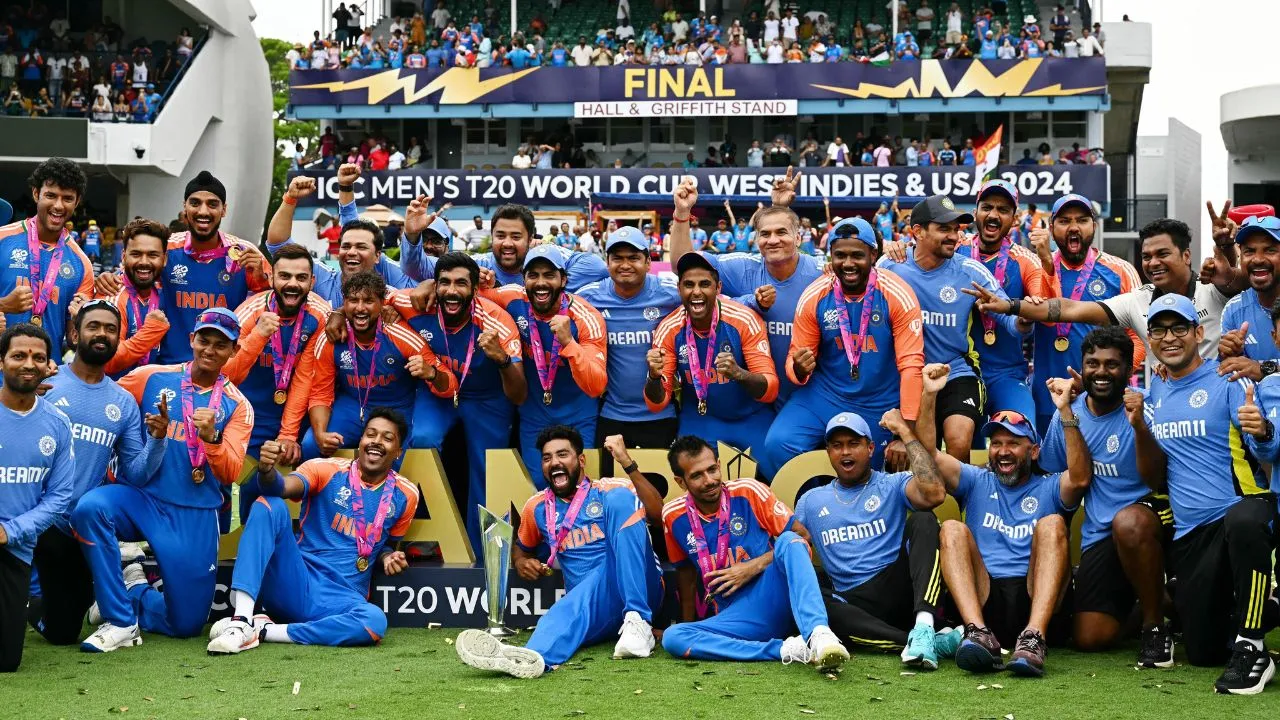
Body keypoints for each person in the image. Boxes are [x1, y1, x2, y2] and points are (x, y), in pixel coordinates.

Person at [74, 308, 253, 651]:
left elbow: (231, 473)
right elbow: (102, 394)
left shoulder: (238, 405)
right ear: (191, 340)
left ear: (234, 351)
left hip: (194, 512)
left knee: (185, 625)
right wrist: (56, 385)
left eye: (220, 344)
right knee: (90, 508)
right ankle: (119, 618)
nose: (210, 350)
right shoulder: (153, 377)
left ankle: (134, 590)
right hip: (143, 498)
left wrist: (212, 438)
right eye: (204, 340)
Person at [1130, 295, 1278, 694]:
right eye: (1159, 330)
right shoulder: (1155, 388)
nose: (1170, 337)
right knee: (1203, 651)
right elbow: (1153, 473)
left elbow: (1263, 449)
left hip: (1242, 510)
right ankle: (1266, 606)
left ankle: (1253, 647)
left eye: (1180, 328)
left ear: (1198, 333)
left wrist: (1261, 429)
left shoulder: (1228, 379)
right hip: (1191, 533)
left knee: (1244, 521)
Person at [455, 426, 663, 677]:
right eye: (547, 458)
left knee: (619, 499)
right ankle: (531, 659)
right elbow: (522, 550)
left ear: (581, 460)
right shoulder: (537, 507)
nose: (554, 462)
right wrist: (522, 562)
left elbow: (656, 514)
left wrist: (627, 463)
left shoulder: (609, 489)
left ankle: (638, 620)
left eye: (563, 454)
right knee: (575, 601)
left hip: (642, 588)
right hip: (594, 606)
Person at [917, 364, 1082, 677]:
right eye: (996, 443)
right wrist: (929, 395)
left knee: (1053, 524)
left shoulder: (1050, 485)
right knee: (952, 528)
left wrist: (1066, 412)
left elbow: (1081, 477)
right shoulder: (977, 480)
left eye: (1013, 443)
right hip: (985, 599)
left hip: (1037, 600)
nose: (1003, 451)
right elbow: (927, 454)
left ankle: (1034, 637)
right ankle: (976, 633)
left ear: (1033, 451)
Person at [206, 410, 417, 653]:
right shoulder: (325, 469)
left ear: (398, 451)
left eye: (387, 438)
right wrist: (266, 470)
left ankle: (264, 631)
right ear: (360, 442)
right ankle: (241, 622)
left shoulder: (406, 494)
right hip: (298, 578)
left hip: (343, 596)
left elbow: (386, 544)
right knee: (269, 504)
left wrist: (387, 557)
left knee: (374, 622)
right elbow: (282, 487)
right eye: (370, 434)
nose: (376, 441)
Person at [28, 301, 167, 649]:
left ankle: (89, 592)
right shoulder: (44, 383)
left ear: (119, 338)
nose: (101, 334)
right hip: (30, 520)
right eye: (93, 326)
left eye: (110, 329)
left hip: (72, 530)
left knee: (61, 634)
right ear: (75, 333)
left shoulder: (121, 402)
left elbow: (135, 472)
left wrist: (158, 439)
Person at [1035, 327, 1175, 666]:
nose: (1101, 372)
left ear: (1129, 370)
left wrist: (1139, 426)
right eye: (1092, 363)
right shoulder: (1067, 412)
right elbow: (1056, 473)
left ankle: (1156, 626)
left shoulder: (1146, 409)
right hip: (1101, 535)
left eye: (1112, 365)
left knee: (1128, 522)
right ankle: (1158, 602)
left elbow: (1156, 479)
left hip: (1150, 521)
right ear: (1081, 367)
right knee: (1089, 638)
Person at [972, 215, 1239, 382]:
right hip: (1164, 404)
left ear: (1186, 256)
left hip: (1215, 399)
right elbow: (1069, 308)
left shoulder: (1212, 289)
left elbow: (1239, 280)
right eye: (1147, 257)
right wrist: (1009, 305)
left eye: (1163, 254)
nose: (1153, 263)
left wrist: (1226, 247)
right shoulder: (1138, 300)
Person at [659, 436, 848, 670]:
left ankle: (819, 635)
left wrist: (752, 567)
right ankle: (786, 650)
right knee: (674, 637)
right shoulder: (673, 515)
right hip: (736, 617)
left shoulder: (748, 491)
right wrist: (691, 624)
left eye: (712, 469)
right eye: (697, 475)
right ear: (681, 481)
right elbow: (686, 575)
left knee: (789, 540)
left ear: (719, 465)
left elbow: (804, 537)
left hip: (775, 595)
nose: (709, 480)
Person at [964, 194, 1143, 434]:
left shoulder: (1120, 271)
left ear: (1094, 226)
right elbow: (1043, 314)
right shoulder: (1038, 266)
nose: (1073, 227)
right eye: (1064, 221)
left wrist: (1112, 377)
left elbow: (1139, 337)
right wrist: (1047, 263)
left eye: (1081, 220)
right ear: (1051, 228)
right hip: (1047, 392)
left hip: (1103, 393)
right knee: (1048, 465)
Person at [758, 218, 923, 477]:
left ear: (873, 254)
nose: (848, 264)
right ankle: (817, 506)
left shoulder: (896, 294)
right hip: (825, 395)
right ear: (830, 256)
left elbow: (912, 365)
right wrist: (798, 370)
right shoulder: (815, 295)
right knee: (778, 444)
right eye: (840, 256)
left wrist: (906, 432)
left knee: (871, 470)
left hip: (879, 401)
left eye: (857, 255)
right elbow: (794, 359)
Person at [795, 410, 959, 667]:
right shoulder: (811, 501)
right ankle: (921, 642)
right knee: (813, 601)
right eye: (837, 446)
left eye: (853, 444)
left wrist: (905, 433)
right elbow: (791, 552)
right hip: (852, 601)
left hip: (898, 588)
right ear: (828, 452)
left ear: (871, 448)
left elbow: (935, 494)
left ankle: (925, 624)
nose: (845, 452)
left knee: (924, 519)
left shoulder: (892, 484)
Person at [386, 252, 525, 551]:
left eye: (461, 283)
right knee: (421, 439)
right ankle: (421, 533)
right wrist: (340, 314)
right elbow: (371, 298)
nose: (452, 290)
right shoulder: (419, 302)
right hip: (436, 391)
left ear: (475, 290)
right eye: (444, 283)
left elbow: (519, 393)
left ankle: (485, 551)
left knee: (488, 469)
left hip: (488, 399)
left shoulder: (496, 321)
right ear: (434, 287)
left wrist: (501, 358)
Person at [879, 195, 1024, 464]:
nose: (954, 236)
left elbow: (1013, 325)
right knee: (904, 453)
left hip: (955, 372)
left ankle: (958, 505)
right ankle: (920, 503)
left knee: (958, 441)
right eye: (944, 228)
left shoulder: (971, 271)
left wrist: (1021, 315)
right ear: (918, 232)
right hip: (904, 375)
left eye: (956, 229)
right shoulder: (889, 267)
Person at [669, 172, 824, 407]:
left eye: (781, 232)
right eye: (765, 234)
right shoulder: (743, 268)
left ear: (798, 237)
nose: (772, 240)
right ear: (755, 239)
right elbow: (685, 265)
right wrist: (682, 213)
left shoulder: (821, 273)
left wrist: (896, 250)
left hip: (808, 396)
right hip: (756, 399)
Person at [93, 171, 269, 365]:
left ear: (224, 209)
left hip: (221, 373)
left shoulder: (245, 253)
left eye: (212, 204)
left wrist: (262, 279)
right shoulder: (167, 247)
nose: (203, 211)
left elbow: (270, 302)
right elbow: (132, 275)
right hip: (168, 369)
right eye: (195, 203)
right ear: (184, 207)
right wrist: (107, 279)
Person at [483, 246, 607, 487]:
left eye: (549, 275)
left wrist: (569, 343)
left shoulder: (585, 317)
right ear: (523, 279)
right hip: (534, 417)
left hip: (579, 417)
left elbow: (596, 385)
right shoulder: (511, 298)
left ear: (564, 279)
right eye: (533, 275)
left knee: (580, 487)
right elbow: (468, 296)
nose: (541, 283)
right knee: (539, 486)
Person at [222, 244, 331, 515]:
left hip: (293, 413)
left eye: (301, 278)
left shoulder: (320, 315)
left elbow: (306, 377)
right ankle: (220, 541)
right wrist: (258, 336)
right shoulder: (249, 312)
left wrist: (287, 434)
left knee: (288, 478)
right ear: (271, 279)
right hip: (250, 411)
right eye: (285, 276)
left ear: (312, 281)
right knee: (230, 478)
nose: (292, 284)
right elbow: (227, 374)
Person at [302, 271, 455, 464]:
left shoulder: (402, 336)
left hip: (399, 407)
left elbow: (450, 383)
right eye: (353, 300)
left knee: (403, 461)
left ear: (382, 303)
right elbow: (320, 394)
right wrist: (320, 433)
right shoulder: (332, 337)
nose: (360, 308)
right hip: (353, 406)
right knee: (310, 445)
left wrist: (431, 373)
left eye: (368, 301)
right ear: (344, 303)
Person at [648, 251, 777, 457]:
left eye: (705, 284)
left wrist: (739, 374)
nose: (696, 292)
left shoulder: (744, 319)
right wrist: (653, 377)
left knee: (774, 464)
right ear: (679, 289)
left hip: (751, 417)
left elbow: (770, 389)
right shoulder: (669, 328)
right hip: (701, 418)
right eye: (689, 285)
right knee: (688, 471)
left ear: (718, 288)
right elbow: (656, 404)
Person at [0, 323, 75, 672]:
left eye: (38, 357)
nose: (28, 363)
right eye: (18, 355)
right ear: (2, 362)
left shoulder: (57, 424)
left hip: (13, 548)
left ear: (48, 366)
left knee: (6, 661)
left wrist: (10, 532)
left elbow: (59, 498)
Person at [576, 227, 681, 472]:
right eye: (618, 258)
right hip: (613, 414)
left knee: (661, 492)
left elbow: (713, 300)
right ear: (607, 263)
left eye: (633, 258)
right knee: (611, 491)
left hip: (660, 415)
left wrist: (753, 300)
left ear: (648, 262)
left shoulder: (671, 294)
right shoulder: (589, 297)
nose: (625, 265)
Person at [965, 180, 1051, 418]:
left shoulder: (1025, 261)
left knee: (1020, 430)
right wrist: (894, 249)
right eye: (987, 207)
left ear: (1015, 219)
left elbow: (1038, 306)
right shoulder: (954, 252)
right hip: (960, 372)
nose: (993, 215)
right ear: (976, 213)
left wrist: (1025, 320)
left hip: (1006, 373)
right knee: (962, 445)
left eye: (1003, 210)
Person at [0, 158, 95, 359]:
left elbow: (72, 340)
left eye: (67, 198)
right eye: (51, 195)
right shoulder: (3, 239)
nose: (58, 206)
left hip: (48, 379)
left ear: (77, 202)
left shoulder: (82, 264)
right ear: (36, 194)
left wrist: (82, 321)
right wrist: (4, 305)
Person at [402, 203, 607, 293]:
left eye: (516, 237)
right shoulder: (479, 266)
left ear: (530, 239)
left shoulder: (547, 261)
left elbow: (596, 267)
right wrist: (412, 236)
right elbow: (416, 269)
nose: (507, 243)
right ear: (492, 238)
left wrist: (543, 289)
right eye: (500, 236)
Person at [100, 218, 169, 377]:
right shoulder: (112, 294)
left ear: (164, 259)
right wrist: (151, 332)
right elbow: (108, 359)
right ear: (124, 257)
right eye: (136, 254)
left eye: (153, 255)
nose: (144, 262)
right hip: (116, 394)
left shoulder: (164, 288)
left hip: (150, 389)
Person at [1219, 215, 1280, 376]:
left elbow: (1256, 369)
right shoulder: (1234, 309)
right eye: (1249, 251)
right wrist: (1229, 355)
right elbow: (1230, 373)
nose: (1258, 259)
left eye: (1270, 250)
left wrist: (1262, 369)